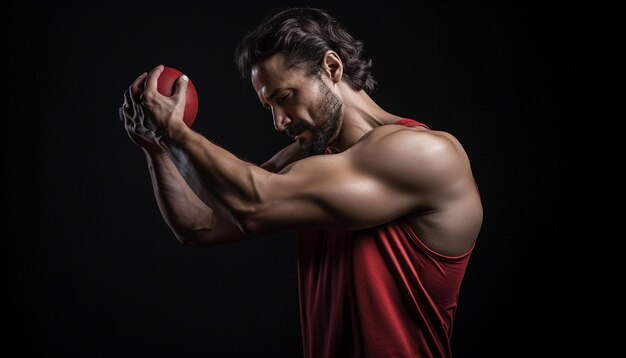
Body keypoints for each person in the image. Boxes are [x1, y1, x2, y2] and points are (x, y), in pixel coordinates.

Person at [119, 7, 482, 358]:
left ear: (332, 67)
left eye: (285, 97)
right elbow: (198, 224)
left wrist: (174, 132)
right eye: (269, 107)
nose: (279, 121)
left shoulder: (425, 154)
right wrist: (158, 148)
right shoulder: (308, 159)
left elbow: (254, 204)